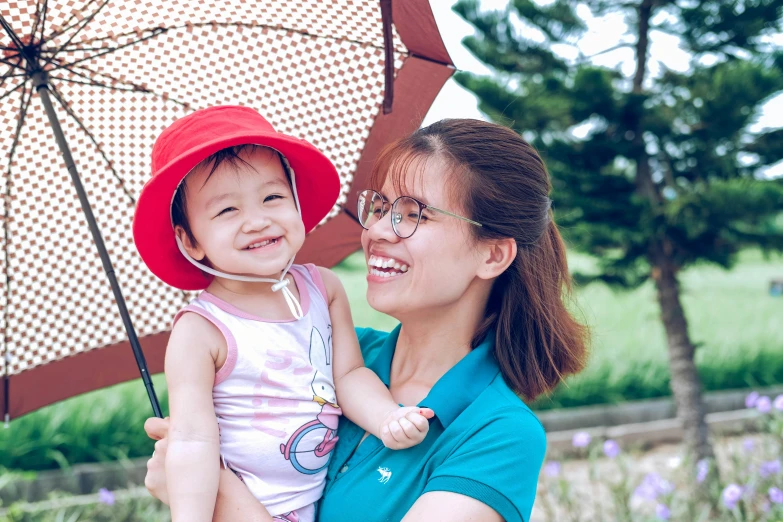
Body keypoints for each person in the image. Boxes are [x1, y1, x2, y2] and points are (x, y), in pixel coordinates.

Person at [143, 118, 589, 521]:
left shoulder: (499, 436)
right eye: (379, 207)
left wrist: (220, 492)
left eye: (414, 215)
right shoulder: (321, 352)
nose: (377, 231)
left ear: (492, 254)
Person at [132, 106, 434, 522]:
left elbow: (346, 376)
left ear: (296, 200)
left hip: (313, 504)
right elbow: (192, 440)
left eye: (273, 197)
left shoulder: (322, 288)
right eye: (226, 211)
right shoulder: (202, 330)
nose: (257, 220)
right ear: (190, 241)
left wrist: (386, 417)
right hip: (241, 507)